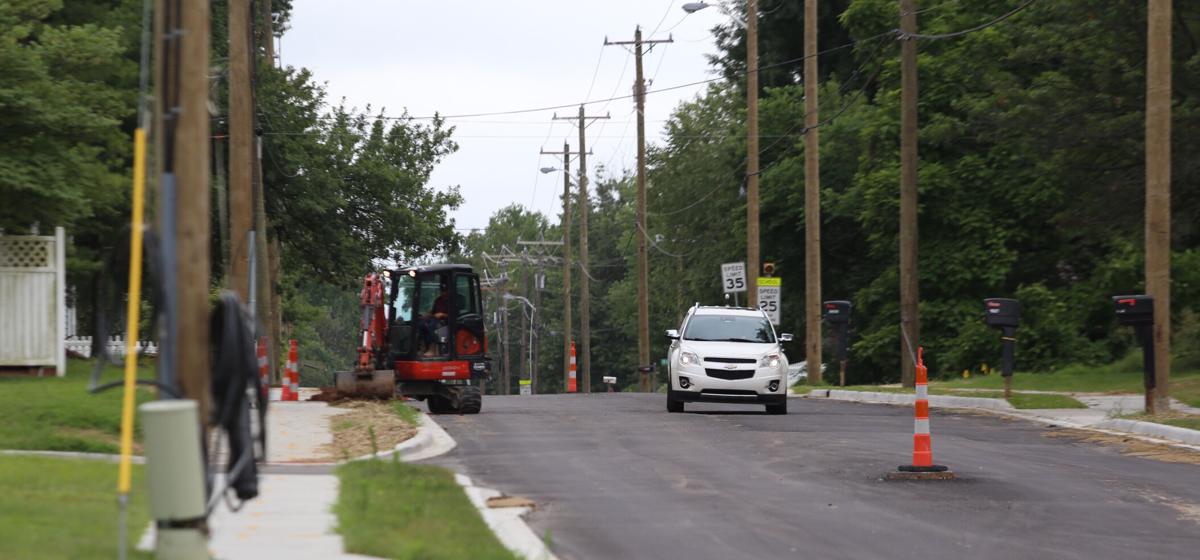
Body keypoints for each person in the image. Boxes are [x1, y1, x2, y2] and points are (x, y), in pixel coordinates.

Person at [418, 281, 451, 356]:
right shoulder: (438, 300)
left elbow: (454, 315)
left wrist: (442, 314)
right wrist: (425, 316)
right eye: (442, 291)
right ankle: (423, 347)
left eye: (445, 291)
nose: (443, 293)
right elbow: (432, 313)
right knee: (421, 324)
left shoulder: (452, 301)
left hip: (446, 321)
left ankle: (432, 348)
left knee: (431, 325)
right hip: (435, 319)